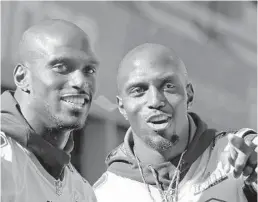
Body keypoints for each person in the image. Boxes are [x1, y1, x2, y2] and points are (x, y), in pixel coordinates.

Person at [94, 43, 257, 202]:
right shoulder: (103, 195)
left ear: (189, 95)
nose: (155, 101)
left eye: (168, 86)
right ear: (122, 106)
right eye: (138, 90)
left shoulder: (236, 156)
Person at [1, 19, 99, 202]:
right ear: (22, 78)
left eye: (89, 70)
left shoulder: (83, 192)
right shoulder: (3, 160)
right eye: (61, 67)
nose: (80, 82)